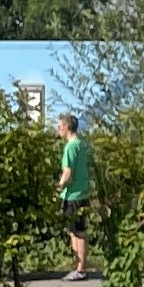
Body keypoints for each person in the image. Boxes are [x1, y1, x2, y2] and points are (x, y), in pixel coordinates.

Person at [55, 112, 95, 276]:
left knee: (78, 231)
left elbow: (68, 172)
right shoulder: (83, 145)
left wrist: (58, 187)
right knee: (74, 230)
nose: (58, 131)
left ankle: (80, 268)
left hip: (73, 195)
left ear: (66, 127)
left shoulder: (70, 147)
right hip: (83, 192)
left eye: (59, 127)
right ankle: (78, 266)